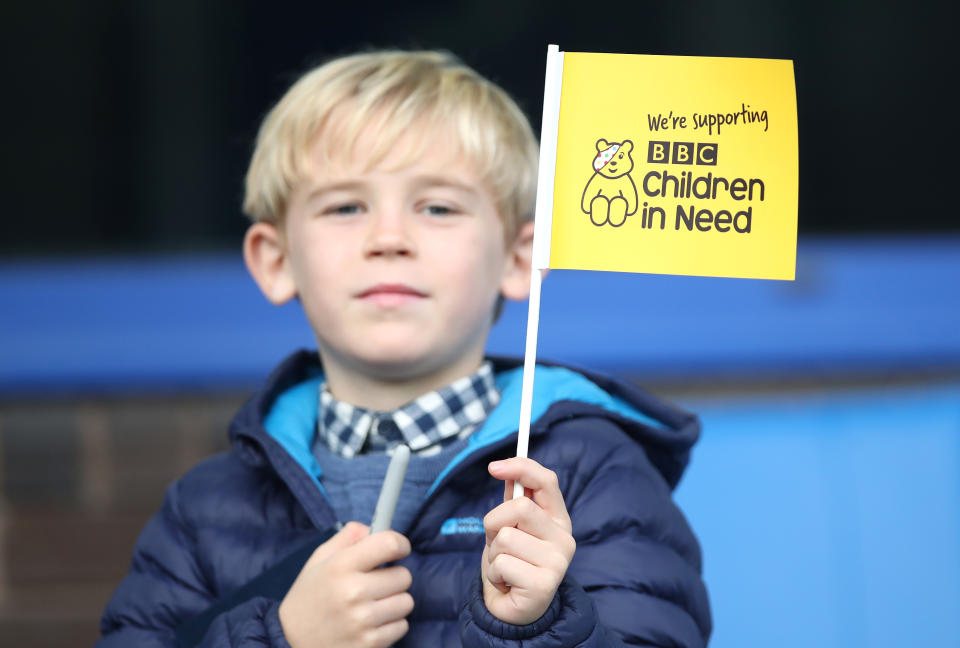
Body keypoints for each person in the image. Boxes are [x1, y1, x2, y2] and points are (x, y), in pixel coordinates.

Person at [98, 50, 711, 647]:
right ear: (276, 260)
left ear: (520, 258)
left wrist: (535, 629)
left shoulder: (586, 475)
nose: (389, 238)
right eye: (345, 206)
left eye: (437, 207)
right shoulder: (207, 508)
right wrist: (283, 638)